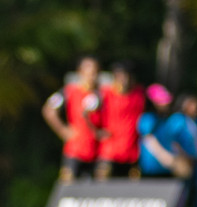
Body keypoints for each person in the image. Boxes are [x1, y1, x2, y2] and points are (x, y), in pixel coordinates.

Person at [42, 55, 102, 183]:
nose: (92, 77)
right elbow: (49, 110)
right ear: (80, 72)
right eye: (89, 73)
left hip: (96, 153)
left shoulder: (101, 94)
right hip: (74, 152)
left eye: (95, 73)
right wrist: (63, 130)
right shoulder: (69, 91)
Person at [96, 62, 145, 179]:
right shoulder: (104, 94)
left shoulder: (140, 93)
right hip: (109, 151)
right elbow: (85, 113)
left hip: (132, 152)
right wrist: (96, 131)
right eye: (119, 76)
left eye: (125, 76)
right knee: (102, 184)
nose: (123, 80)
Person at [172, 92, 197, 207]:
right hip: (185, 161)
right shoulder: (178, 120)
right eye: (193, 105)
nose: (196, 108)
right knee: (183, 189)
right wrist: (183, 156)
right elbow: (172, 140)